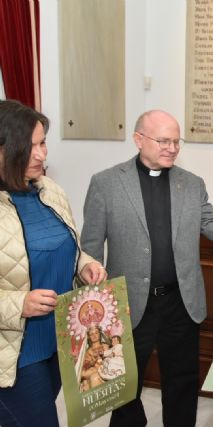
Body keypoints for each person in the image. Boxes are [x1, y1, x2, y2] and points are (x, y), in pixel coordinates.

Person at [80, 110, 213, 427]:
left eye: (177, 142)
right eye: (164, 141)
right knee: (123, 393)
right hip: (129, 305)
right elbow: (90, 246)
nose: (172, 148)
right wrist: (87, 273)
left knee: (182, 389)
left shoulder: (190, 184)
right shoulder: (106, 183)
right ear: (139, 139)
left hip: (180, 304)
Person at [0, 100, 106, 427]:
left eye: (43, 142)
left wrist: (83, 265)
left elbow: (64, 247)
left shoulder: (51, 190)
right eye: (28, 147)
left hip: (61, 341)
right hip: (15, 350)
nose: (41, 154)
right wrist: (20, 303)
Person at [79, 325, 111, 391]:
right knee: (88, 380)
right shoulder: (87, 352)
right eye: (92, 334)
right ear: (89, 337)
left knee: (95, 377)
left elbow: (109, 359)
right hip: (92, 372)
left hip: (104, 371)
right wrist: (92, 361)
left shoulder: (105, 346)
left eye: (96, 333)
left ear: (100, 334)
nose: (94, 335)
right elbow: (84, 369)